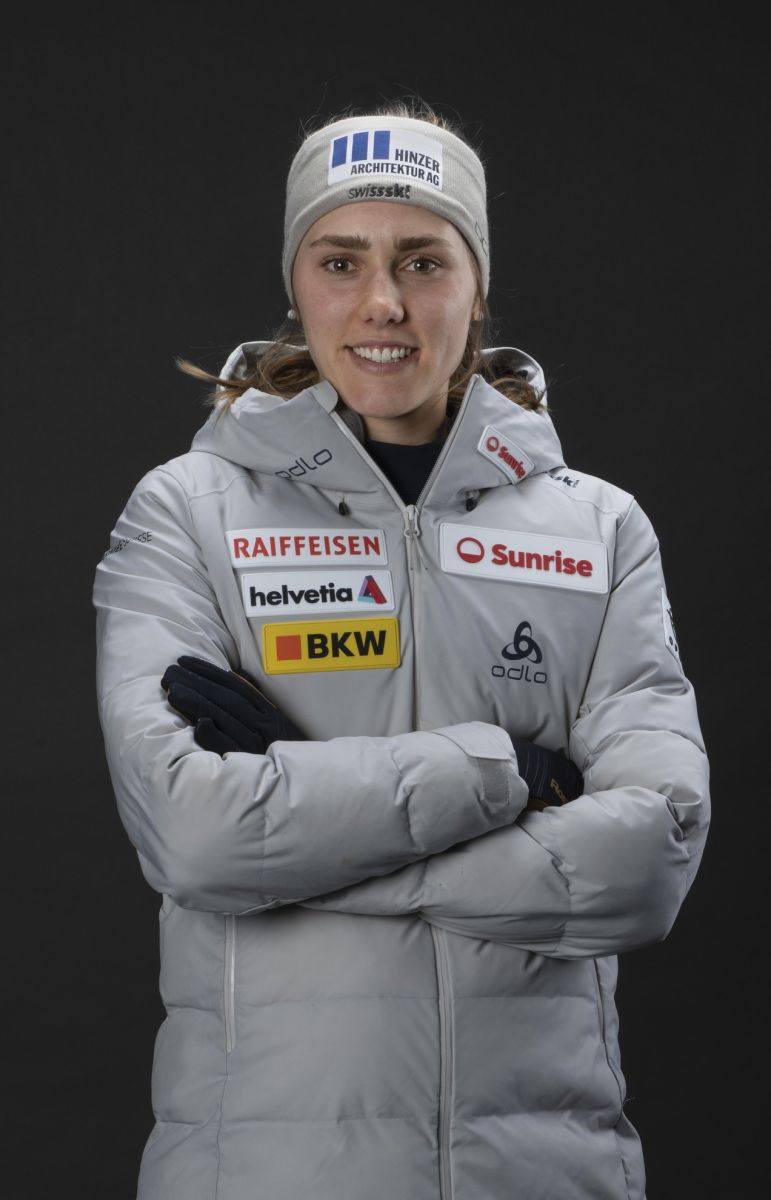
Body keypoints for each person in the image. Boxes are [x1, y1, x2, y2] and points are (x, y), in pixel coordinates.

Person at [93, 100, 710, 1200]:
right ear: (297, 285)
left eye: (424, 261)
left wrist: (308, 840)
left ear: (477, 287)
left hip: (547, 1175)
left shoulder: (601, 528)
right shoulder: (186, 511)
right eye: (341, 262)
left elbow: (649, 859)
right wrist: (505, 775)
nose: (383, 302)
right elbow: (195, 836)